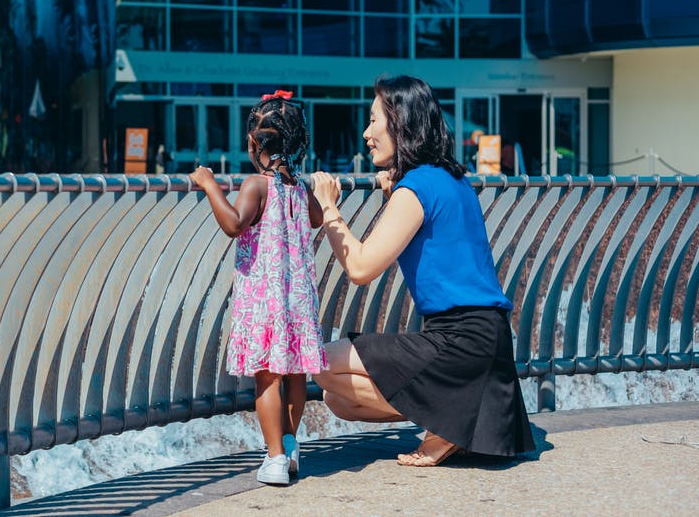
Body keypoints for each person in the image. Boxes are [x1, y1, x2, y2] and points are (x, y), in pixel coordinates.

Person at [308, 75, 534, 467]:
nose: (366, 133)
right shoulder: (452, 179)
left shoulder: (415, 188)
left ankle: (447, 425)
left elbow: (360, 268)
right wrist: (395, 187)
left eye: (374, 120)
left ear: (400, 122)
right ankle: (453, 421)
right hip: (487, 340)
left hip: (460, 339)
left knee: (322, 363)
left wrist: (328, 207)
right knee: (338, 401)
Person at [189, 89, 327, 486]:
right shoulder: (298, 188)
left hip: (265, 299)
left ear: (253, 142)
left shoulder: (256, 185)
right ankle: (290, 443)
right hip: (298, 298)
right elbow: (316, 218)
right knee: (296, 375)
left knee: (267, 377)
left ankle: (274, 458)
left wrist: (209, 184)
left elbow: (235, 225)